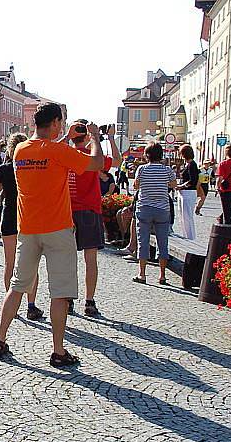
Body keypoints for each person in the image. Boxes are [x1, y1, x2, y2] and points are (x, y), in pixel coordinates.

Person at [0, 104, 103, 368]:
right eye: (61, 122)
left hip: (27, 229)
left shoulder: (20, 150)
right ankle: (58, 350)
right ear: (54, 123)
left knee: (18, 286)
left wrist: (64, 138)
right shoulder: (59, 151)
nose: (62, 126)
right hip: (57, 229)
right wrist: (95, 138)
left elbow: (46, 151)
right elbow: (96, 163)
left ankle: (0, 338)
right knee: (60, 292)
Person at [68, 119, 121, 317]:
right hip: (90, 211)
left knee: (68, 259)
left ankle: (68, 299)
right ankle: (89, 301)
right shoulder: (93, 157)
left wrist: (68, 136)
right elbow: (117, 161)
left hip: (67, 212)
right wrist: (107, 138)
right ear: (87, 135)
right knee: (91, 260)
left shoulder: (66, 154)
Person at [0, 132, 43, 320]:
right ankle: (31, 305)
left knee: (10, 263)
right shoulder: (32, 168)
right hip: (28, 217)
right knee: (32, 264)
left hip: (9, 216)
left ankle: (11, 304)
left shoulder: (4, 168)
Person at [131, 143, 177, 285]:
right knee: (163, 241)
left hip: (144, 207)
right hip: (162, 209)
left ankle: (142, 274)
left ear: (146, 155)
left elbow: (136, 186)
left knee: (142, 241)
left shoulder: (142, 169)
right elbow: (173, 185)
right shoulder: (167, 170)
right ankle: (162, 275)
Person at [175, 144, 199, 240]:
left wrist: (181, 186)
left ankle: (191, 237)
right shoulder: (187, 164)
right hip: (184, 192)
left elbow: (193, 180)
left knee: (188, 216)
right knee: (183, 216)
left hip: (189, 192)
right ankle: (186, 235)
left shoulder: (192, 165)